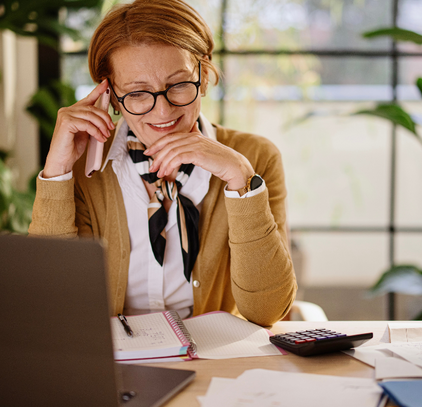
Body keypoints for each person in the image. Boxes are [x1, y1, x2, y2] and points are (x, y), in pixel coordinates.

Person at [29, 0, 296, 327]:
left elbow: (268, 310)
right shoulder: (87, 167)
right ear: (110, 95)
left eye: (179, 85)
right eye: (138, 93)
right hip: (114, 364)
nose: (163, 111)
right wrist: (57, 174)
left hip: (213, 363)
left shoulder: (255, 157)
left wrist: (241, 181)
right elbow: (54, 306)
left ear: (205, 73)